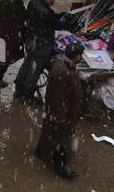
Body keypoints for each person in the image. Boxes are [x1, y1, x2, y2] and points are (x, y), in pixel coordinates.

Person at [13, 0, 71, 104]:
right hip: (41, 44)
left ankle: (19, 90)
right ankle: (28, 96)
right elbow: (57, 25)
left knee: (27, 64)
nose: (53, 0)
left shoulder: (33, 2)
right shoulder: (46, 11)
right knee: (35, 70)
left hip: (31, 40)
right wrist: (64, 20)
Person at [36, 43, 84, 179]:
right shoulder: (66, 73)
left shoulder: (59, 66)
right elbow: (62, 97)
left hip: (54, 110)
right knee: (61, 141)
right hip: (61, 113)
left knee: (48, 132)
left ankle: (40, 151)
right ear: (77, 57)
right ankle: (61, 167)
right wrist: (62, 118)